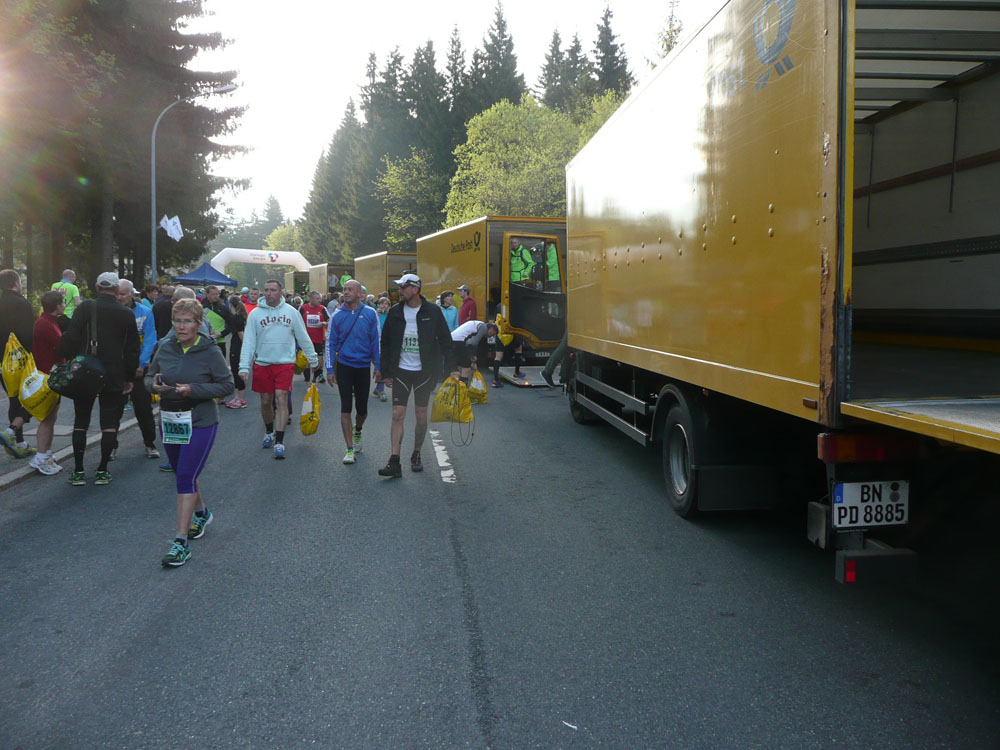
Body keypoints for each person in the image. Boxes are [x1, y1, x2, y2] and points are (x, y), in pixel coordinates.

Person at [147, 298, 234, 567]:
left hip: (200, 420)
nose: (181, 326)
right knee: (183, 472)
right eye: (177, 321)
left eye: (187, 322)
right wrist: (154, 386)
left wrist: (193, 390)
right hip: (171, 419)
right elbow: (149, 377)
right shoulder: (165, 347)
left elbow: (227, 385)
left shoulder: (209, 351)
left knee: (185, 476)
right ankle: (202, 513)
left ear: (198, 324)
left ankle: (180, 542)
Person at [60, 272, 140, 486]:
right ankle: (102, 470)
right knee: (109, 423)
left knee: (81, 421)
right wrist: (129, 376)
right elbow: (132, 349)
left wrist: (70, 358)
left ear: (97, 287)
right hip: (114, 372)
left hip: (86, 371)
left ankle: (78, 471)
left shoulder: (86, 307)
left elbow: (71, 337)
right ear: (117, 290)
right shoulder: (126, 313)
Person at [377, 273, 456, 477]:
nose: (399, 291)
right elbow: (385, 343)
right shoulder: (395, 312)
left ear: (415, 289)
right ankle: (394, 461)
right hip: (401, 371)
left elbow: (446, 341)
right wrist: (385, 372)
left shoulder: (433, 311)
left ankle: (417, 453)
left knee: (421, 416)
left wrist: (452, 368)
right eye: (399, 287)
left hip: (424, 373)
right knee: (397, 414)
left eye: (403, 287)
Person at [238, 279, 317, 459]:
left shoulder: (291, 312)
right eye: (266, 290)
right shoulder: (255, 314)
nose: (269, 293)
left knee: (282, 397)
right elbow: (249, 341)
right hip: (263, 363)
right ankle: (268, 431)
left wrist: (312, 358)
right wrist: (244, 366)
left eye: (273, 290)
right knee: (266, 401)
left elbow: (302, 336)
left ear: (281, 292)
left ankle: (279, 441)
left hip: (284, 363)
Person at [325, 280, 381, 464]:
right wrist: (330, 368)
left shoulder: (370, 313)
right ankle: (349, 449)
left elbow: (376, 341)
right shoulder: (337, 315)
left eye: (350, 289)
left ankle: (358, 429)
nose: (346, 292)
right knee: (346, 407)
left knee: (362, 409)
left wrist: (378, 366)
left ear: (360, 294)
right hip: (344, 365)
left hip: (363, 366)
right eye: (345, 289)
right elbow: (330, 343)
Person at [115, 279, 160, 459]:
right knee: (114, 409)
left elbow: (150, 340)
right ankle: (111, 445)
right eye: (117, 294)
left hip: (138, 369)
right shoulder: (112, 312)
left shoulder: (145, 312)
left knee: (143, 408)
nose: (120, 297)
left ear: (132, 294)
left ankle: (149, 443)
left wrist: (142, 364)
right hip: (117, 369)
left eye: (123, 294)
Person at [0, 268, 37, 459]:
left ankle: (18, 442)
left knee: (13, 399)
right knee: (34, 396)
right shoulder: (22, 304)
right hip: (21, 361)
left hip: (2, 362)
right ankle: (12, 435)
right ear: (16, 283)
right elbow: (29, 334)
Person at [28, 291, 66, 474]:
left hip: (50, 374)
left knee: (51, 418)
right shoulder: (46, 324)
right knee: (47, 419)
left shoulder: (47, 321)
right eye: (63, 303)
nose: (64, 305)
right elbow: (62, 346)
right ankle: (41, 457)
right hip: (47, 376)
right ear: (57, 306)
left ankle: (46, 454)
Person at [300, 290, 329, 384]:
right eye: (317, 298)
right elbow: (297, 321)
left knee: (319, 360)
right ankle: (307, 379)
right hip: (306, 339)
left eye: (320, 298)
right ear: (310, 299)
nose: (319, 300)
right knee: (307, 360)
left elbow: (330, 321)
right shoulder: (303, 308)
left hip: (318, 338)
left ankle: (317, 376)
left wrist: (323, 323)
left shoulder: (322, 308)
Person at [224, 295, 248, 408]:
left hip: (237, 347)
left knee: (236, 372)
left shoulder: (236, 318)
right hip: (237, 346)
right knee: (236, 372)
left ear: (231, 305)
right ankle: (238, 398)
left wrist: (246, 347)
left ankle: (241, 399)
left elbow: (240, 333)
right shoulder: (242, 316)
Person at [202, 285, 235, 357]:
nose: (215, 296)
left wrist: (221, 334)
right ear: (207, 294)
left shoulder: (223, 308)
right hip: (204, 342)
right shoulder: (201, 307)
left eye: (217, 294)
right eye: (213, 294)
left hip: (220, 342)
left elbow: (232, 324)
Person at [372, 296, 390, 402]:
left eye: (386, 303)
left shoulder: (390, 316)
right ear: (378, 305)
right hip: (374, 344)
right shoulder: (374, 315)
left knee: (381, 366)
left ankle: (380, 389)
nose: (384, 305)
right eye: (382, 303)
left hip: (385, 344)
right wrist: (376, 315)